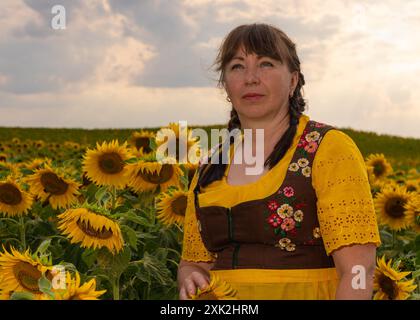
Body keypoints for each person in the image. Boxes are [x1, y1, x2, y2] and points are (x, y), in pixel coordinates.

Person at [177, 23, 381, 300]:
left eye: (266, 64)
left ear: (294, 80)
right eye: (237, 66)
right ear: (226, 84)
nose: (250, 78)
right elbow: (194, 262)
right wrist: (190, 276)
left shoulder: (328, 149)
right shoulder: (211, 165)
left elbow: (359, 270)